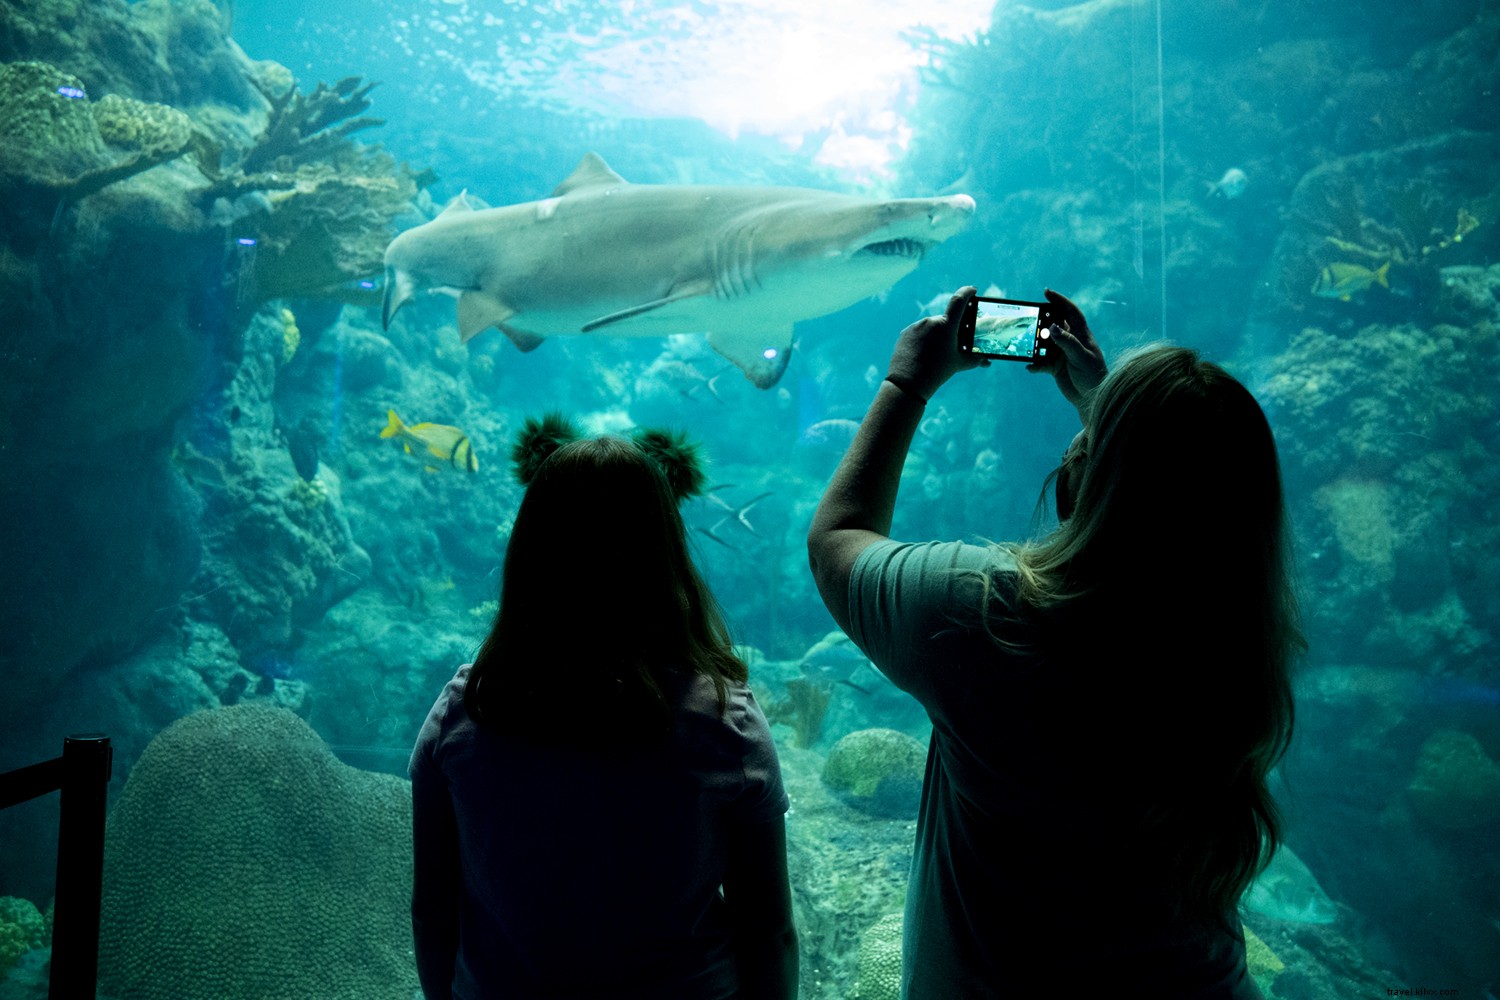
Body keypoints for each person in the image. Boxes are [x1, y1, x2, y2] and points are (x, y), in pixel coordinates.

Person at [807, 288, 1301, 998]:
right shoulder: (1231, 649)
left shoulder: (983, 613)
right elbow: (1179, 507)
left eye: (1094, 435)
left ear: (1092, 466)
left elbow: (835, 542)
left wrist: (906, 382)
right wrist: (1114, 412)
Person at [411, 414, 798, 1000]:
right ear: (665, 552)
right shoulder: (726, 724)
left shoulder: (463, 715)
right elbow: (768, 932)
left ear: (529, 552)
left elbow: (433, 910)